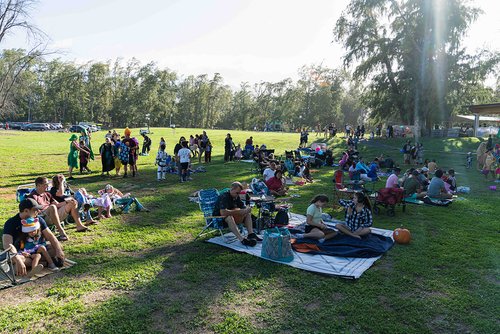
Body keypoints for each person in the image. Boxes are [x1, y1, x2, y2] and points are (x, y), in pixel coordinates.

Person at [2, 199, 65, 278]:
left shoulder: (38, 219)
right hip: (22, 254)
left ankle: (37, 263)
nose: (38, 212)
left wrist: (58, 250)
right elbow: (7, 245)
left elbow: (50, 236)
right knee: (18, 260)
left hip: (38, 249)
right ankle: (45, 262)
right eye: (35, 210)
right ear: (26, 211)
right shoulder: (11, 223)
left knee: (57, 247)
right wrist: (17, 258)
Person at [28, 176, 90, 241]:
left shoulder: (47, 194)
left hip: (53, 214)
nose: (47, 186)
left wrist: (67, 202)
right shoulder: (33, 196)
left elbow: (57, 204)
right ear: (38, 185)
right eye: (45, 184)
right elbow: (34, 213)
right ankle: (61, 232)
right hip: (43, 217)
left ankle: (79, 226)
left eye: (47, 184)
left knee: (72, 203)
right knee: (52, 207)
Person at [213, 182, 260, 247]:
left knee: (247, 213)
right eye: (237, 193)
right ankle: (242, 239)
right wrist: (239, 212)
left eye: (239, 193)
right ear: (232, 189)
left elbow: (242, 206)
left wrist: (246, 209)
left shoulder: (236, 196)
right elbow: (223, 212)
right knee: (229, 217)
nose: (238, 195)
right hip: (219, 218)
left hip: (233, 216)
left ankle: (250, 234)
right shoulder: (224, 196)